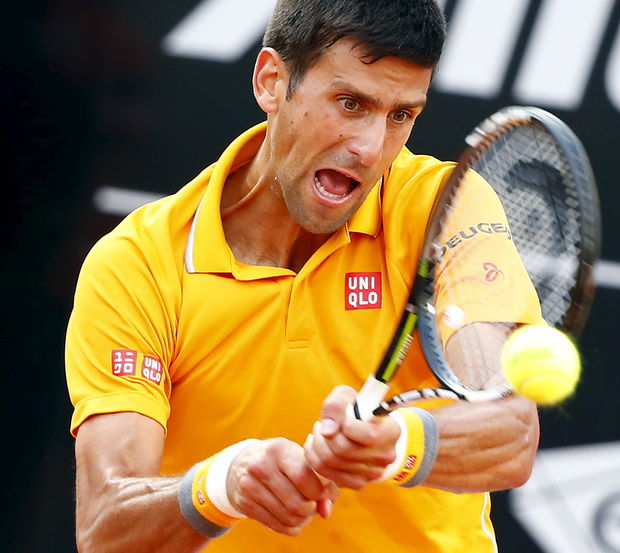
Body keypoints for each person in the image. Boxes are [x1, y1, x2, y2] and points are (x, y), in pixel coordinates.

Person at [65, 1, 544, 551]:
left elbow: (512, 431)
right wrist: (221, 486)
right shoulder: (139, 263)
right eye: (350, 103)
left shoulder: (444, 207)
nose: (370, 148)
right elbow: (105, 527)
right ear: (272, 82)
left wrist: (393, 443)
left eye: (400, 116)